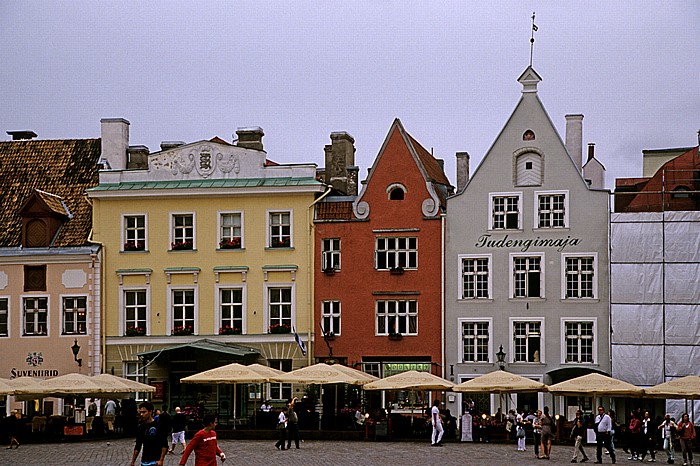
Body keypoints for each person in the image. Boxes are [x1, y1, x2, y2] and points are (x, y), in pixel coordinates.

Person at [130, 401, 168, 466]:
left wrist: (161, 460)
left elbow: (164, 444)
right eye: (140, 412)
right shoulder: (141, 427)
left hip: (155, 461)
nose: (142, 414)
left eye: (144, 412)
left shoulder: (158, 425)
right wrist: (133, 462)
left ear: (150, 412)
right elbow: (138, 446)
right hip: (144, 461)